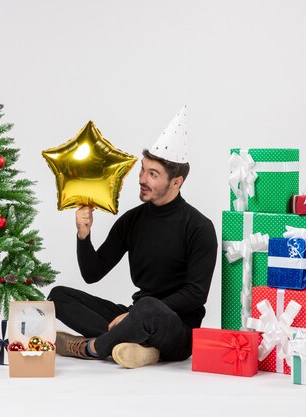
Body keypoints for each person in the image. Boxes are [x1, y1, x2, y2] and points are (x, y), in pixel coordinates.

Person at [47, 107, 218, 368]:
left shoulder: (199, 227)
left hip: (176, 328)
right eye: (143, 170)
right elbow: (93, 273)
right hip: (135, 315)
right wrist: (84, 235)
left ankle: (93, 347)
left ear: (176, 182)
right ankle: (139, 347)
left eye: (153, 174)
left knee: (148, 308)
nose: (141, 179)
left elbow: (195, 294)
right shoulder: (132, 220)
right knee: (58, 296)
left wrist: (135, 315)